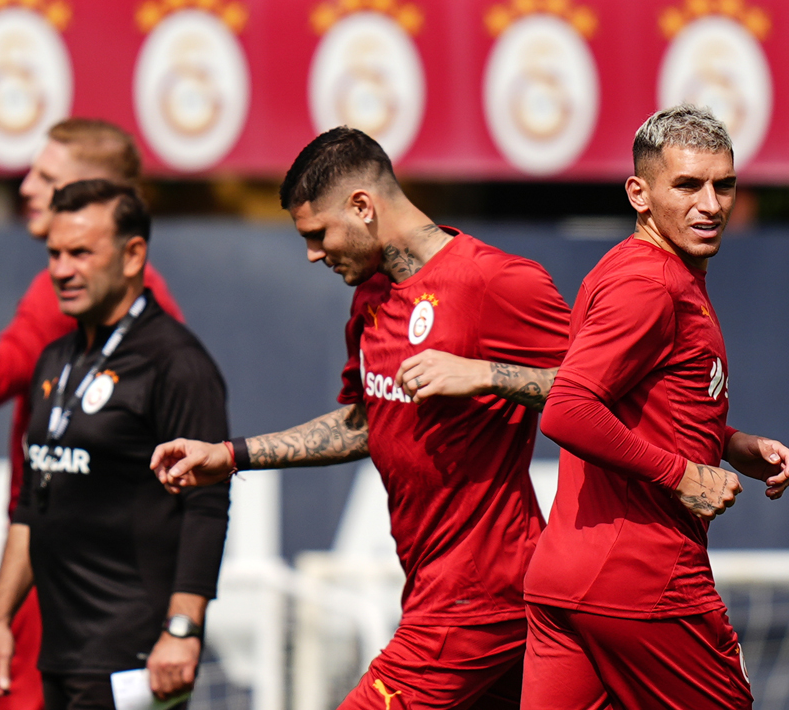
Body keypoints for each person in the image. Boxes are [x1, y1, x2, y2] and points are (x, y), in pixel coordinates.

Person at [151, 127, 571, 709]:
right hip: (433, 588)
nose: (313, 254)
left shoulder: (495, 282)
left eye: (318, 234)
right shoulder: (372, 294)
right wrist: (231, 455)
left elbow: (599, 393)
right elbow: (365, 424)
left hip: (480, 595)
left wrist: (485, 374)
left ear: (363, 207)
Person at [522, 106, 789, 710]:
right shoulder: (651, 285)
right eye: (688, 185)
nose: (711, 204)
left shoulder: (639, 269)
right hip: (644, 578)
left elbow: (641, 400)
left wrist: (728, 442)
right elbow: (568, 410)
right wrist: (684, 475)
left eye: (723, 184)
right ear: (639, 193)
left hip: (566, 578)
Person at [0, 119, 184, 709]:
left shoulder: (74, 290)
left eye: (48, 177)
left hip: (64, 567)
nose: (27, 186)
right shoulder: (148, 294)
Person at [0, 180, 230, 710]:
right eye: (55, 254)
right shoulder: (54, 360)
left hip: (134, 657)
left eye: (81, 253)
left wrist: (183, 628)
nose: (62, 270)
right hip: (59, 654)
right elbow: (30, 507)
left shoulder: (176, 364)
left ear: (133, 254)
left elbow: (207, 507)